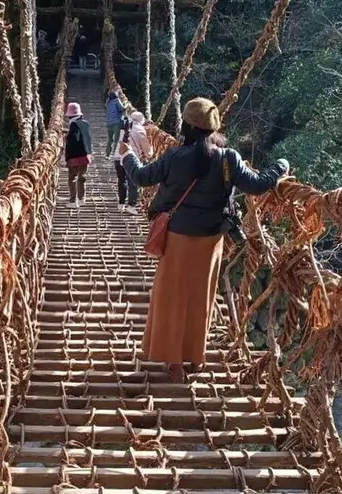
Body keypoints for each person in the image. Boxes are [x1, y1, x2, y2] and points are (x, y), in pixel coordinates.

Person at [118, 97, 289, 381]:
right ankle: (194, 357)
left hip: (176, 239)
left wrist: (127, 156)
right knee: (201, 298)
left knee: (172, 298)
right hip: (211, 241)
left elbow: (140, 178)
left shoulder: (175, 156)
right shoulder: (228, 158)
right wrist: (280, 167)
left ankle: (173, 363)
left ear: (186, 125)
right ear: (214, 127)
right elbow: (258, 185)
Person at [113, 111, 150, 214]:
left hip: (118, 156)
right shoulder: (140, 130)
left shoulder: (122, 126)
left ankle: (121, 204)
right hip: (131, 159)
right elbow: (148, 151)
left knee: (121, 180)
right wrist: (148, 155)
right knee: (133, 182)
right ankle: (131, 206)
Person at [64, 101, 92, 208]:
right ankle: (81, 198)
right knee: (82, 177)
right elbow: (85, 137)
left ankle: (73, 201)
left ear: (70, 115)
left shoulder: (73, 124)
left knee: (73, 178)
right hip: (86, 155)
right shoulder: (86, 123)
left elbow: (74, 139)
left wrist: (66, 137)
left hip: (75, 157)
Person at [105, 90, 125, 158]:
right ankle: (114, 154)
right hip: (116, 122)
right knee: (117, 139)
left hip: (108, 123)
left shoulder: (108, 102)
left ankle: (107, 154)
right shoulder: (117, 100)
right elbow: (122, 108)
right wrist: (126, 105)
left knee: (110, 139)